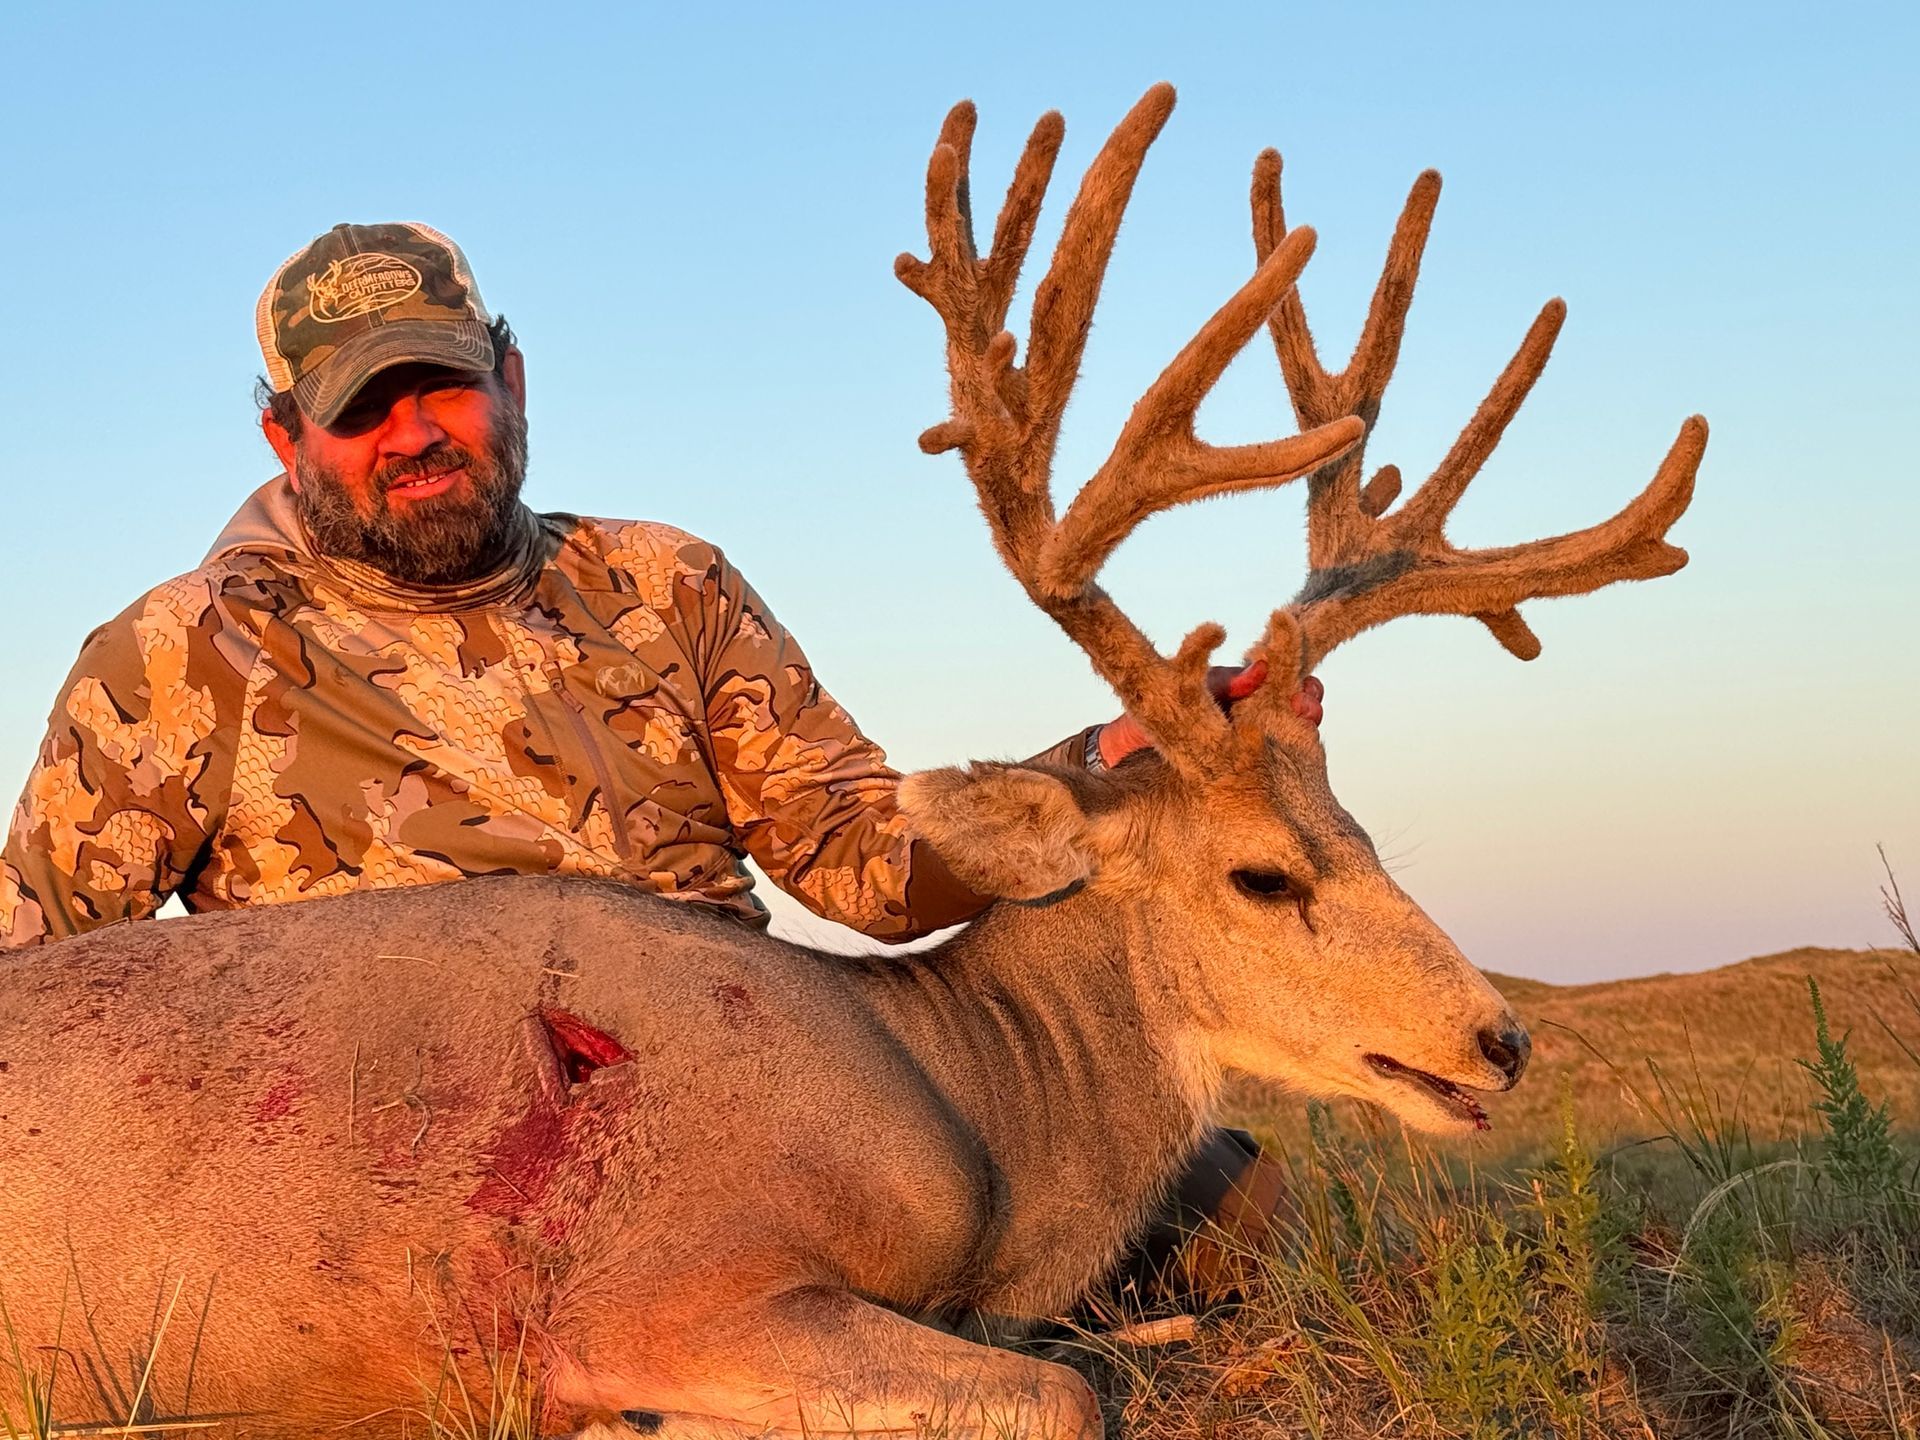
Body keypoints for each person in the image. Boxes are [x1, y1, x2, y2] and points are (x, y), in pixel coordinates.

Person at [0, 221, 1317, 1286]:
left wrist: (1107, 754)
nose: (413, 434)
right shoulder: (175, 657)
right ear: (289, 439)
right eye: (362, 409)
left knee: (1216, 1203)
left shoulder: (664, 586)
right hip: (409, 1172)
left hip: (754, 1104)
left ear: (510, 381)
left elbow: (868, 869)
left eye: (441, 386)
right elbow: (40, 999)